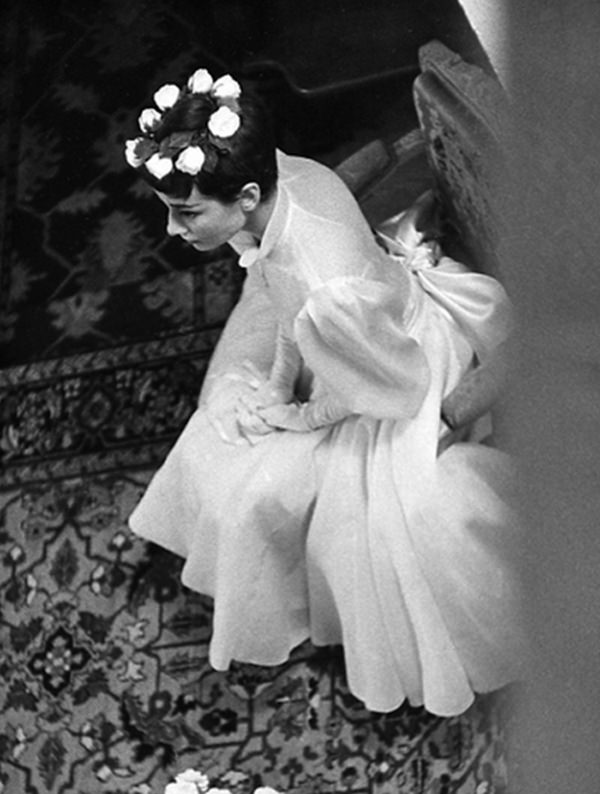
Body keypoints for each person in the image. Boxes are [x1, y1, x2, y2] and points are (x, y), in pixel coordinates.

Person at [126, 67, 524, 717]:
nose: (173, 230)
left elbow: (394, 391)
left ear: (246, 193)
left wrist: (300, 414)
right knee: (236, 440)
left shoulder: (326, 292)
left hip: (396, 373)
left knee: (309, 503)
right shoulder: (291, 180)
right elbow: (287, 299)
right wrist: (280, 377)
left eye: (186, 211)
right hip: (354, 342)